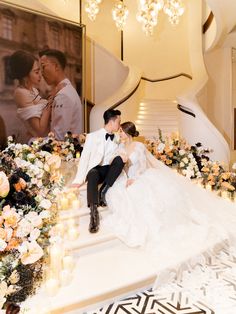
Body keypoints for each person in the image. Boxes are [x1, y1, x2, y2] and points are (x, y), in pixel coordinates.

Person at [103, 121, 236, 284]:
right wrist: (126, 176)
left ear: (128, 133)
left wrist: (135, 178)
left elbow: (143, 166)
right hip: (128, 180)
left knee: (148, 193)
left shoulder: (139, 147)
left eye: (122, 131)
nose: (120, 134)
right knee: (132, 198)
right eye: (120, 132)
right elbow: (116, 167)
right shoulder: (120, 149)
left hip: (140, 177)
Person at [72, 109, 125, 233]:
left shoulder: (118, 138)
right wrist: (78, 179)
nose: (119, 125)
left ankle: (103, 191)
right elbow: (84, 158)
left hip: (110, 169)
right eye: (118, 122)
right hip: (97, 169)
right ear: (111, 122)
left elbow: (121, 154)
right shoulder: (92, 136)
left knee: (120, 160)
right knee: (92, 174)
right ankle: (93, 213)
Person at [9, 50, 62, 143]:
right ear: (25, 75)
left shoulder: (33, 90)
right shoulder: (21, 93)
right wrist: (50, 102)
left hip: (46, 139)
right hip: (38, 143)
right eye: (36, 72)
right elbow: (40, 130)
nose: (40, 76)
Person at [39, 49, 82, 140]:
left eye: (43, 67)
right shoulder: (65, 90)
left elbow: (59, 138)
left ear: (56, 66)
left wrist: (33, 141)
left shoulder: (63, 95)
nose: (41, 73)